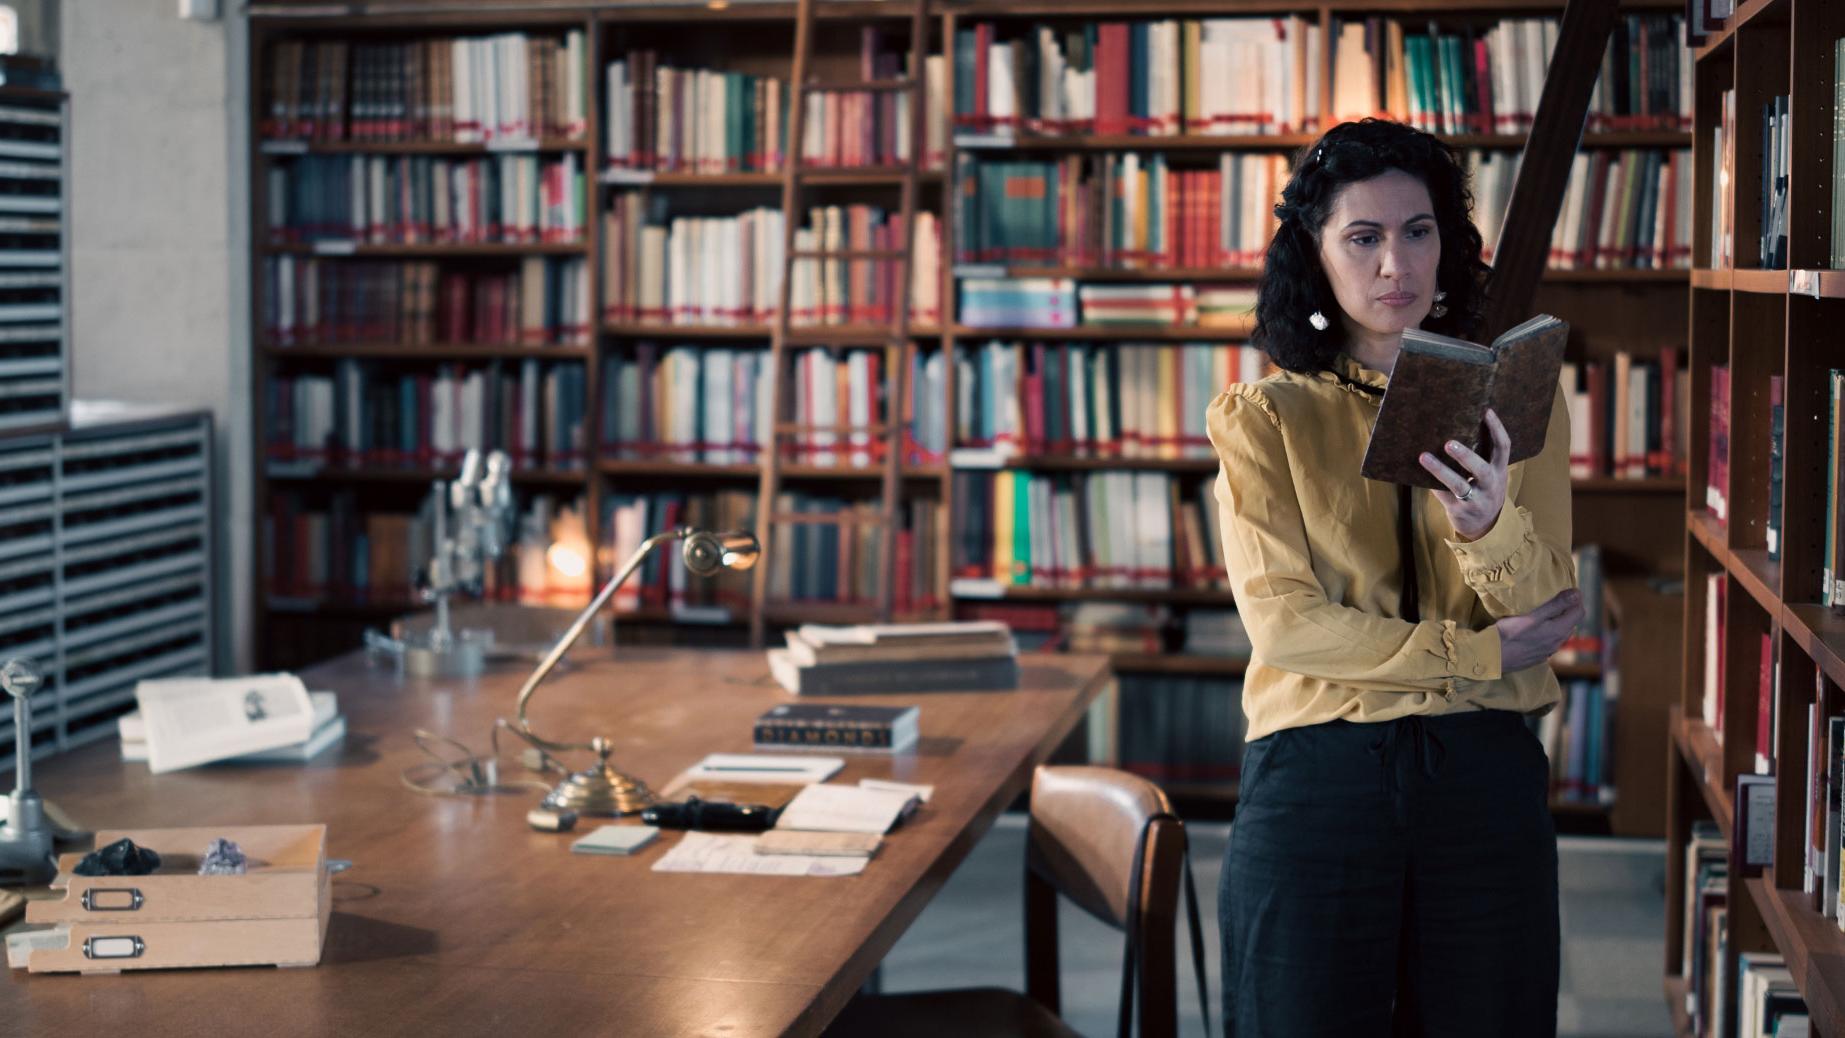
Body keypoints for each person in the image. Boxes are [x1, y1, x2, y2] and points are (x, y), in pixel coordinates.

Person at [1208, 118, 1586, 1037]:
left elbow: (1548, 609)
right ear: (1316, 252)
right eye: (1362, 237)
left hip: (1483, 778)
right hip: (1318, 773)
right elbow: (1285, 628)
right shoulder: (1266, 416)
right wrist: (1476, 652)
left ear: (1447, 245)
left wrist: (1486, 522)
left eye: (1416, 232)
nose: (1393, 267)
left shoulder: (1517, 399)